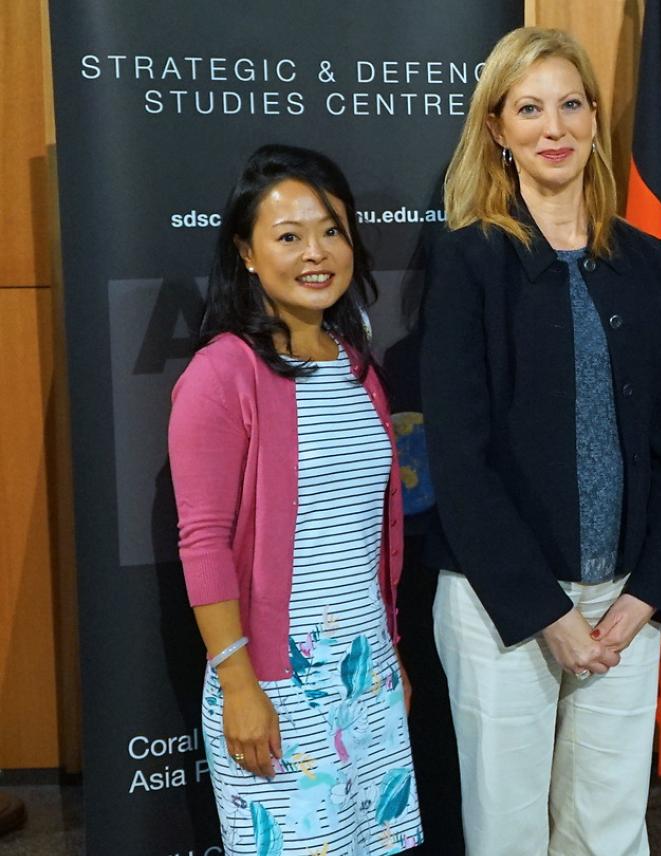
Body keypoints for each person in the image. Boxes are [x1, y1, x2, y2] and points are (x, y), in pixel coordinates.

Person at [418, 27, 661, 856]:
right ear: (497, 129)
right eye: (529, 109)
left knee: (609, 830)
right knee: (508, 834)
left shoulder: (648, 264)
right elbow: (460, 462)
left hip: (626, 603)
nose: (554, 127)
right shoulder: (469, 262)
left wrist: (650, 591)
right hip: (503, 605)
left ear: (597, 119)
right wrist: (548, 613)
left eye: (571, 104)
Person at [169, 144, 423, 854]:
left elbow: (367, 535)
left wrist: (389, 655)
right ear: (246, 253)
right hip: (275, 682)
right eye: (288, 236)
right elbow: (203, 541)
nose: (316, 253)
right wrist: (240, 685)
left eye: (331, 230)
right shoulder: (223, 374)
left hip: (365, 669)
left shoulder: (357, 370)